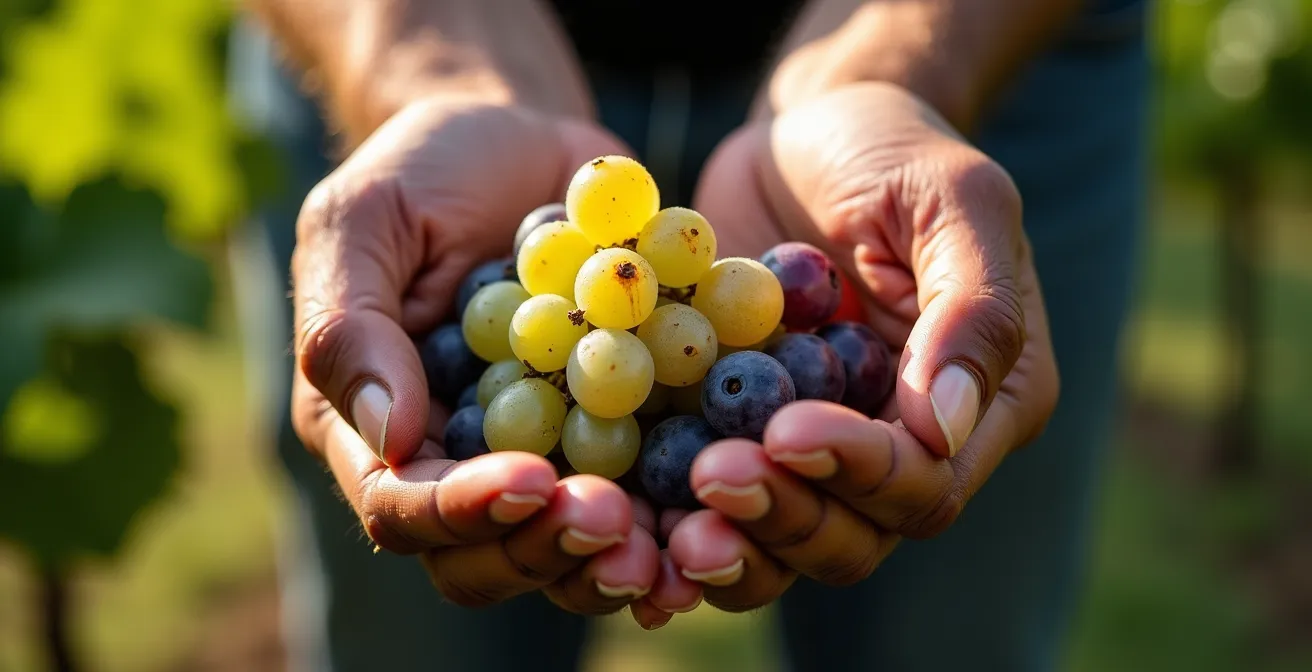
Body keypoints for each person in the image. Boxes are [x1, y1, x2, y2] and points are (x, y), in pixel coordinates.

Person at [228, 0, 1148, 669]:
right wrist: (420, 47)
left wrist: (895, 62)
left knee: (950, 638)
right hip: (404, 48)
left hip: (986, 51)